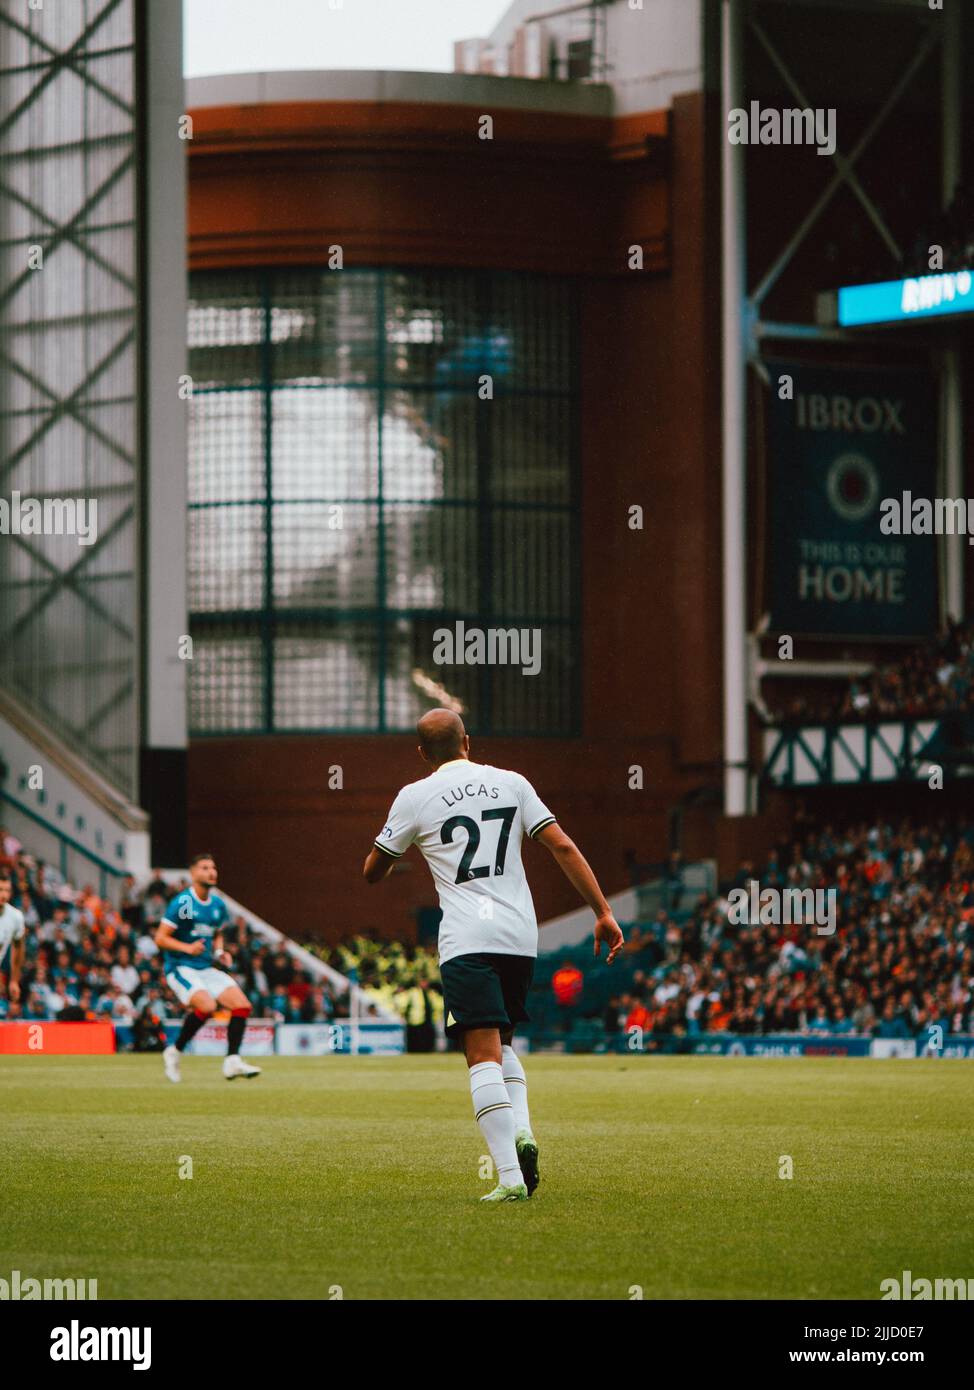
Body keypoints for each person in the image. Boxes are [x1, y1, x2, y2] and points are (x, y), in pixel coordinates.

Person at [362, 708, 623, 1204]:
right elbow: (563, 847)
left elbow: (374, 870)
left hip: (467, 938)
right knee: (503, 1045)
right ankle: (522, 1131)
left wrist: (396, 848)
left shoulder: (414, 796)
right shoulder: (513, 782)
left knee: (479, 1056)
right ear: (468, 741)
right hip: (518, 937)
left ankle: (508, 1177)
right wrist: (604, 912)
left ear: (422, 753)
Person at [156, 853, 261, 1082]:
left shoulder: (217, 905)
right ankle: (174, 1051)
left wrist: (219, 953)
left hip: (205, 967)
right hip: (181, 967)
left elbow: (218, 934)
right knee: (208, 1005)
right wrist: (186, 947)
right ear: (193, 873)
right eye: (204, 867)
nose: (211, 871)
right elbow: (161, 938)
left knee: (242, 1005)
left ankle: (232, 1061)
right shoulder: (184, 903)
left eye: (213, 867)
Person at [0, 871, 26, 1005]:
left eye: (7, 890)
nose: (3, 894)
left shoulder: (15, 917)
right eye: (0, 889)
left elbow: (18, 947)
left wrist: (14, 980)